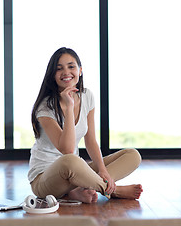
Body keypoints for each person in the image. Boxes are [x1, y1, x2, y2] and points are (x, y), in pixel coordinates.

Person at [28, 47, 143, 203]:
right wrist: (69, 107)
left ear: (80, 70)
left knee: (132, 155)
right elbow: (67, 149)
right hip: (45, 178)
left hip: (75, 172)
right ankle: (112, 190)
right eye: (59, 69)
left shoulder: (87, 96)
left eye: (71, 66)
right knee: (71, 160)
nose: (66, 72)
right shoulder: (45, 107)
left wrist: (103, 170)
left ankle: (79, 189)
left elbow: (91, 141)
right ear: (52, 75)